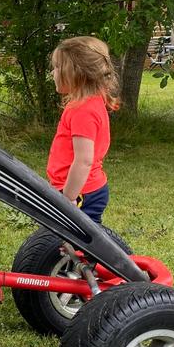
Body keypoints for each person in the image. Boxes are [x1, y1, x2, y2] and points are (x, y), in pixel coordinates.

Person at [46, 36, 120, 224]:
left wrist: (68, 198)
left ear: (74, 73)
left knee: (81, 244)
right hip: (81, 189)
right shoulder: (88, 102)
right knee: (67, 241)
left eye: (56, 68)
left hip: (80, 193)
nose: (52, 73)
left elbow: (84, 160)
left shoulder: (83, 110)